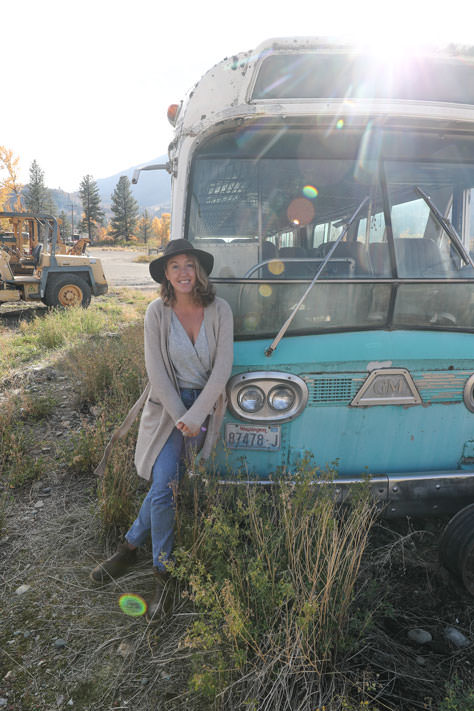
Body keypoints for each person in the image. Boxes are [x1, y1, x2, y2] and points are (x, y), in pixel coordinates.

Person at [90, 239, 233, 619]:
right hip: (167, 408)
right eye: (175, 267)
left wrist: (197, 415)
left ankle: (128, 548)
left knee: (165, 485)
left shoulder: (220, 310)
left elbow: (222, 370)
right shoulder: (156, 312)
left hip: (202, 410)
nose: (184, 272)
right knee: (167, 485)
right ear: (166, 275)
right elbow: (155, 370)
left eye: (189, 265)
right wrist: (180, 415)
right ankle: (162, 574)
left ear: (199, 271)